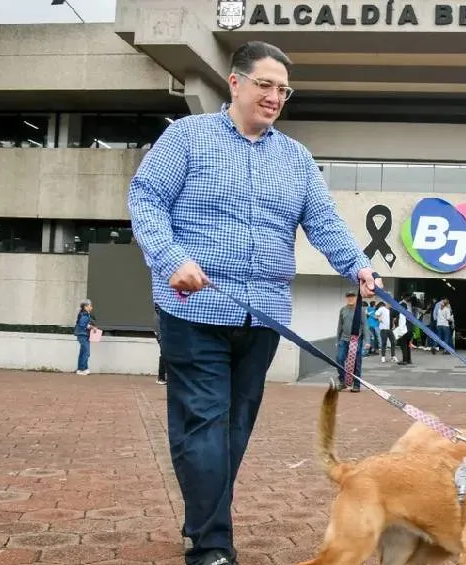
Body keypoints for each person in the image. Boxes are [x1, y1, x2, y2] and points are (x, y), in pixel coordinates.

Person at [126, 40, 380, 565]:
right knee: (202, 420)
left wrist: (355, 263)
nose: (274, 96)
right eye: (265, 84)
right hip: (192, 308)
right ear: (236, 82)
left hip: (263, 314)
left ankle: (202, 514)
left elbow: (325, 220)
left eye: (283, 90)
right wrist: (172, 257)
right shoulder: (187, 138)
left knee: (235, 428)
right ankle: (212, 545)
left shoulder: (295, 157)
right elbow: (145, 198)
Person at [336, 291, 367, 392]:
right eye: (348, 297)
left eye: (352, 297)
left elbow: (365, 325)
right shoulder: (343, 310)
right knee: (339, 359)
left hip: (356, 340)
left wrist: (367, 341)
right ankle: (342, 381)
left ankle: (356, 384)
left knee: (356, 362)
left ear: (356, 298)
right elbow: (340, 326)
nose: (350, 298)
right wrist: (337, 340)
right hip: (343, 340)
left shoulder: (360, 310)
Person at [73, 299, 97, 375]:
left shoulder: (84, 314)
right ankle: (82, 369)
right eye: (90, 305)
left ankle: (82, 369)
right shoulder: (84, 314)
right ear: (86, 307)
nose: (91, 307)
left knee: (83, 352)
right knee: (86, 352)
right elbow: (83, 325)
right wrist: (93, 327)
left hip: (83, 335)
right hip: (83, 335)